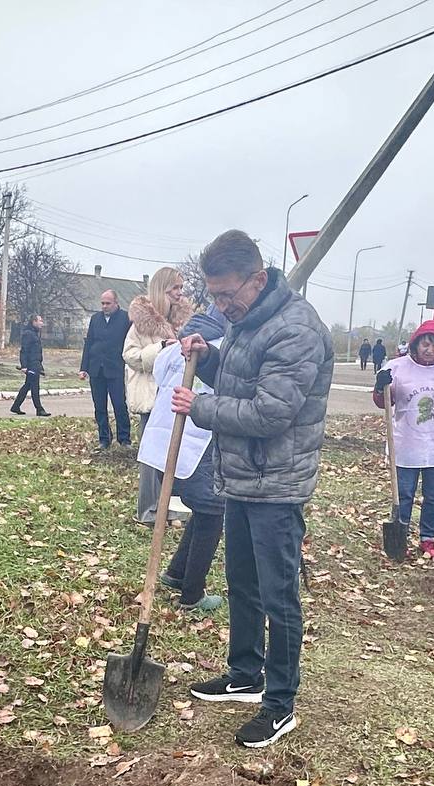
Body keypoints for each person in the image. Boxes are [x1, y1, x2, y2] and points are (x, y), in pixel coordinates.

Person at [171, 229, 333, 749]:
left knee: (278, 595)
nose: (221, 306)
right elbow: (243, 382)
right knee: (241, 580)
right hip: (240, 476)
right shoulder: (247, 319)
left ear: (258, 279)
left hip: (278, 484)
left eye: (227, 295)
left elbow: (270, 412)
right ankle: (245, 673)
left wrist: (197, 406)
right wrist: (210, 358)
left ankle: (280, 702)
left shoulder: (296, 329)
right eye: (213, 295)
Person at [139, 304, 227, 613]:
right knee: (214, 508)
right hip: (194, 443)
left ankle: (176, 573)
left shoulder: (175, 348)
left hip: (164, 441)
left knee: (205, 508)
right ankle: (192, 595)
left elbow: (158, 372)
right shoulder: (219, 350)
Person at [372, 318, 434, 560]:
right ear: (416, 345)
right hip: (406, 443)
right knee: (404, 494)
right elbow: (383, 402)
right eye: (425, 344)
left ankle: (428, 539)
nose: (429, 350)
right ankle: (400, 537)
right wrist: (380, 387)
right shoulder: (397, 368)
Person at [125, 268, 191, 524]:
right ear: (161, 289)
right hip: (151, 399)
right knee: (151, 458)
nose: (179, 293)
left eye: (181, 288)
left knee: (172, 453)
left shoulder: (182, 323)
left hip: (173, 397)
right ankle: (148, 510)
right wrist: (161, 349)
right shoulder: (141, 324)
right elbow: (131, 356)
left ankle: (167, 504)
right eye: (174, 288)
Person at [79, 289, 132, 451]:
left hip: (115, 368)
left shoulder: (125, 318)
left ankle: (124, 439)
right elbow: (89, 344)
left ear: (116, 303)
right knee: (99, 406)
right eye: (102, 303)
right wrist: (83, 368)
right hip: (96, 369)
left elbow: (130, 342)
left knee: (119, 404)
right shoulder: (95, 319)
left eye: (108, 303)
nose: (104, 306)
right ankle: (104, 438)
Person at [10, 315, 51, 417]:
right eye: (40, 321)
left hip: (35, 364)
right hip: (31, 365)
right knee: (34, 387)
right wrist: (24, 366)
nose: (42, 323)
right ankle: (39, 409)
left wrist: (40, 367)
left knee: (27, 385)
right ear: (34, 322)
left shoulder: (34, 334)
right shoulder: (28, 334)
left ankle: (16, 406)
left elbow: (35, 352)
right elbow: (24, 351)